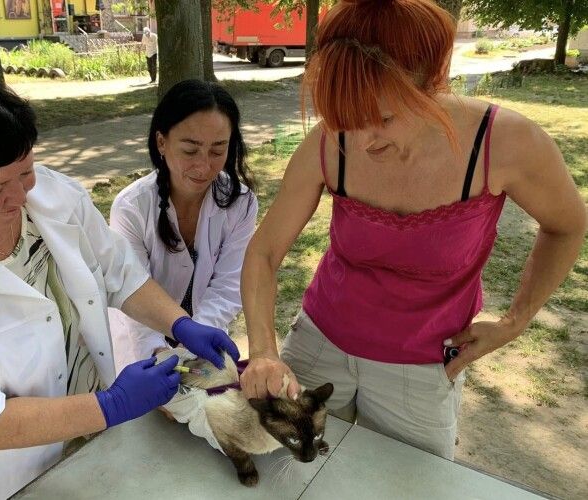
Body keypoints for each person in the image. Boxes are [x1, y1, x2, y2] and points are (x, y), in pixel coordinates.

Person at [0, 63, 239, 499]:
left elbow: (120, 274)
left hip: (85, 444)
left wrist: (179, 323)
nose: (21, 197)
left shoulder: (55, 196)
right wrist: (109, 405)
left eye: (25, 171)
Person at [239, 0, 586, 461]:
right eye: (345, 118)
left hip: (422, 368)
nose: (362, 140)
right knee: (282, 470)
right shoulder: (329, 142)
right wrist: (263, 348)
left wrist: (514, 321)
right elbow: (263, 253)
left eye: (382, 118)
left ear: (431, 82)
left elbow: (567, 225)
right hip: (319, 344)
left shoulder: (502, 143)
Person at [109, 79, 258, 373]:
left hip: (203, 338)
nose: (204, 166)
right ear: (161, 142)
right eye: (190, 150)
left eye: (218, 151)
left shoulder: (241, 203)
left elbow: (228, 286)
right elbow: (132, 291)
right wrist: (159, 356)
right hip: (140, 337)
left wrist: (192, 346)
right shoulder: (131, 207)